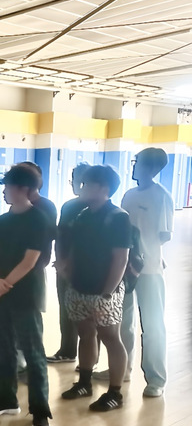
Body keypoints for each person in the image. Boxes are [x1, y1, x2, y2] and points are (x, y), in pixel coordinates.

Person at [0, 165, 52, 426]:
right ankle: (6, 399)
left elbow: (29, 261)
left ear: (24, 189)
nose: (4, 191)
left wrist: (0, 289)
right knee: (3, 350)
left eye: (8, 186)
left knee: (33, 354)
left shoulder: (39, 220)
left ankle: (40, 411)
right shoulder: (2, 221)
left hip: (25, 295)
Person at [60, 165, 131, 412]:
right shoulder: (83, 215)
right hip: (79, 286)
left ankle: (115, 393)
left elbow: (120, 259)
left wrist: (107, 293)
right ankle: (84, 383)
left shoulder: (118, 217)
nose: (82, 188)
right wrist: (68, 273)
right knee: (86, 334)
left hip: (105, 290)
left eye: (87, 184)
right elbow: (75, 248)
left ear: (103, 188)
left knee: (110, 337)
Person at [117, 147, 174, 397]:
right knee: (123, 322)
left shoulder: (162, 197)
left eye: (138, 162)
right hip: (124, 268)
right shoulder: (128, 195)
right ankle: (123, 369)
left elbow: (164, 236)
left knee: (153, 325)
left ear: (152, 168)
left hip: (149, 270)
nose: (134, 166)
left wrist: (145, 255)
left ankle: (156, 379)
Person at [48, 162, 90, 363]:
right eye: (72, 180)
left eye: (77, 180)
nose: (74, 184)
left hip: (85, 268)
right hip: (63, 267)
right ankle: (67, 350)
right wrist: (60, 261)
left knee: (87, 314)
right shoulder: (68, 206)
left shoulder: (95, 209)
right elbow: (61, 235)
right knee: (65, 309)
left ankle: (89, 358)